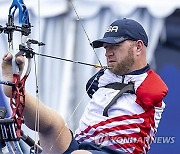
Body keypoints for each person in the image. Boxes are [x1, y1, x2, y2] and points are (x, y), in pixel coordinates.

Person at [1, 18, 168, 154]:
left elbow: (152, 91)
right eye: (106, 47)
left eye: (116, 46)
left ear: (138, 47)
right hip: (81, 146)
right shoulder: (105, 77)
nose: (108, 52)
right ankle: (15, 89)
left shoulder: (149, 84)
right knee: (54, 124)